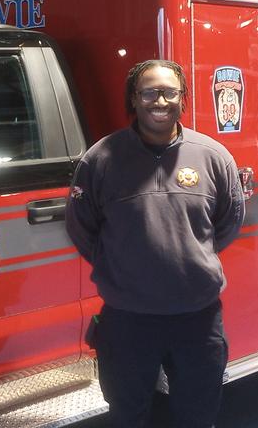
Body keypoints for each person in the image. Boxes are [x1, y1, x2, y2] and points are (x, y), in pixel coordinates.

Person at [66, 59, 245, 428]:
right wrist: (124, 264)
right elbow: (82, 227)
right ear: (134, 98)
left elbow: (228, 222)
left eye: (169, 92)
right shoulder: (101, 159)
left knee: (198, 417)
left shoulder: (213, 157)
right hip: (128, 321)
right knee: (128, 416)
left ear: (183, 98)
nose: (159, 101)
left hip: (197, 319)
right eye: (149, 92)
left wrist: (189, 256)